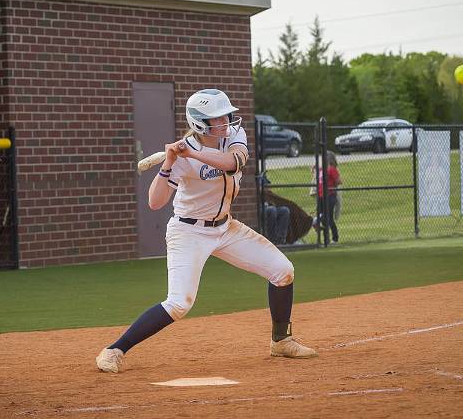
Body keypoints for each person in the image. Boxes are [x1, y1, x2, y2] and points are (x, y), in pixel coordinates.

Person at [96, 89, 316, 374]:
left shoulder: (233, 138)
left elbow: (232, 163)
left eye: (226, 115)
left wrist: (197, 152)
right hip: (188, 232)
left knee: (283, 270)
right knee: (179, 303)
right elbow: (155, 202)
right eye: (217, 119)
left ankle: (281, 340)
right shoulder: (182, 156)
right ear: (200, 122)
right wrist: (169, 163)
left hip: (226, 226)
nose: (225, 122)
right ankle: (114, 350)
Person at [311, 151, 342, 243]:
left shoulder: (332, 169)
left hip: (330, 195)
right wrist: (314, 169)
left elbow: (339, 181)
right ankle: (326, 238)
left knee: (328, 217)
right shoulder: (322, 169)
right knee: (321, 216)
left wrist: (331, 185)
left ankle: (335, 238)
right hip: (321, 196)